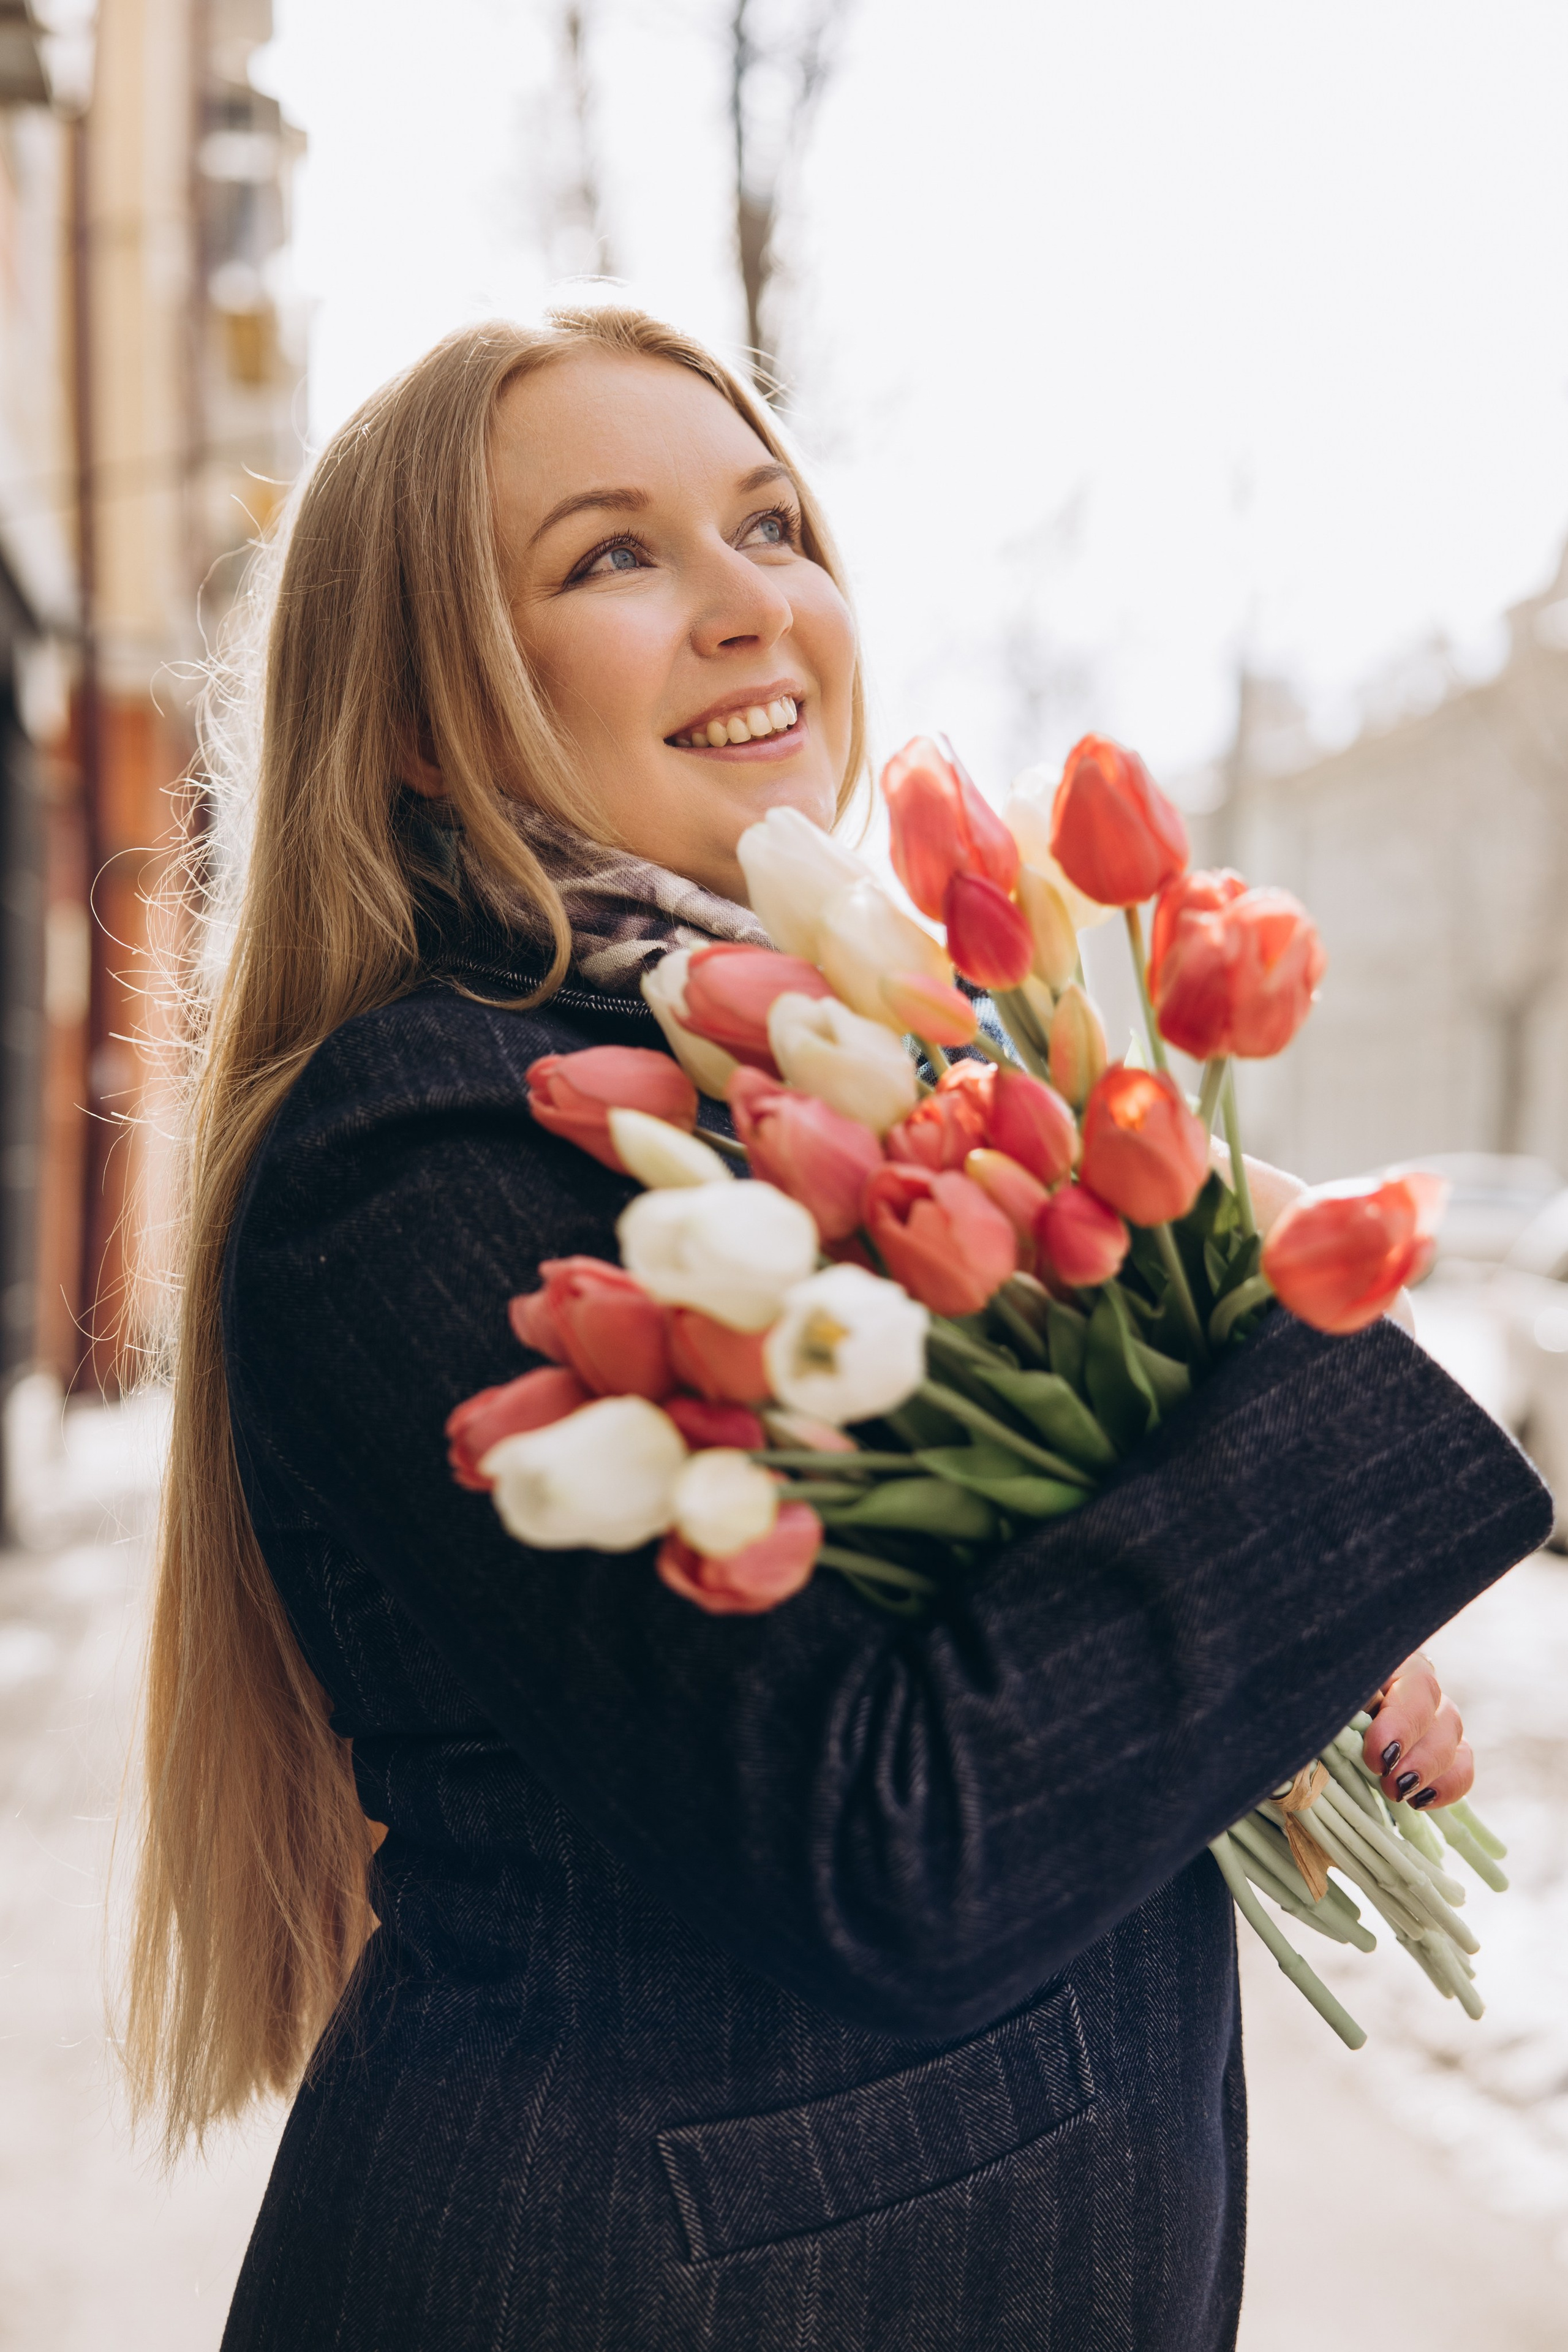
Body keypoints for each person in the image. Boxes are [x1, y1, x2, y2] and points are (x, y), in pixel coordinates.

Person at [124, 307, 1549, 2352]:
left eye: (771, 523)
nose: (747, 605)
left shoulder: (844, 1054)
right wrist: (1396, 1396)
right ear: (431, 722)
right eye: (614, 555)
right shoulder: (425, 1149)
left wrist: (1279, 1664)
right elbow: (890, 1842)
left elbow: (1005, 1637)